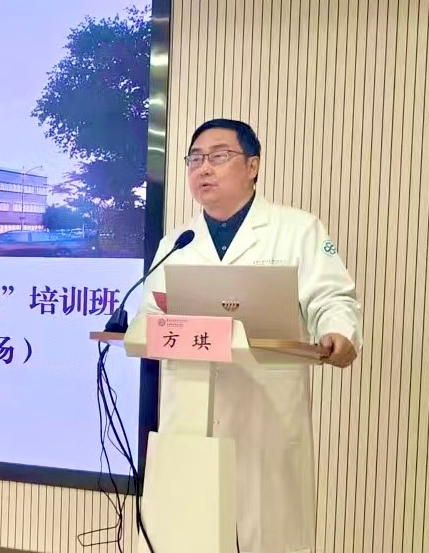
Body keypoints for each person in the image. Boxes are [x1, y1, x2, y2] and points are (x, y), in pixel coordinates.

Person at [133, 118, 361, 553]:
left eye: (219, 156)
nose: (204, 168)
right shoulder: (177, 241)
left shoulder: (298, 229)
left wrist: (338, 331)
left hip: (265, 413)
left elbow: (331, 296)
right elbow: (151, 315)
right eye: (195, 159)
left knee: (266, 533)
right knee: (187, 531)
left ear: (252, 166)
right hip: (190, 416)